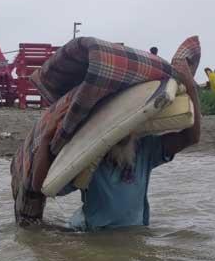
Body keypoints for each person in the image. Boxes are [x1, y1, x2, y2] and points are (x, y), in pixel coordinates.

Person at [61, 70, 202, 231]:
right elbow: (54, 189)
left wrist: (190, 86)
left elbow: (191, 138)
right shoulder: (86, 157)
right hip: (93, 233)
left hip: (136, 231)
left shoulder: (145, 149)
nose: (124, 132)